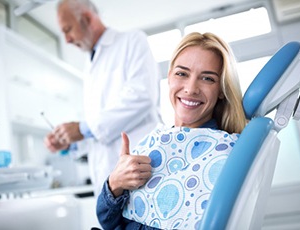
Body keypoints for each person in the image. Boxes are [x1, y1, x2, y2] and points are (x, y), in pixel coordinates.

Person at [96, 32, 247, 229]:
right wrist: (114, 184)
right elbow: (107, 221)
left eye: (207, 78)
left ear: (221, 89)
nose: (191, 89)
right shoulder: (155, 142)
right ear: (169, 77)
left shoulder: (223, 152)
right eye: (182, 73)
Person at [44, 0, 161, 196]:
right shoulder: (90, 65)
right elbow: (100, 130)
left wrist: (81, 129)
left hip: (139, 173)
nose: (67, 40)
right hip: (108, 182)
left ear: (87, 19)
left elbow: (142, 96)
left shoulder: (132, 41)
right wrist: (70, 140)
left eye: (68, 29)